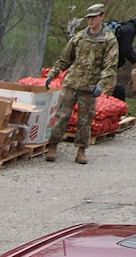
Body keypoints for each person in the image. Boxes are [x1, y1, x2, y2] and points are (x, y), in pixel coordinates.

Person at [43, 3, 118, 165]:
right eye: (89, 18)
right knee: (62, 116)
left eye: (94, 17)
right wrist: (52, 73)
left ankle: (81, 150)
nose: (90, 21)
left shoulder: (109, 40)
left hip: (90, 87)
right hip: (72, 83)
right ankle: (53, 146)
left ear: (102, 17)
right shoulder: (79, 37)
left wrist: (102, 83)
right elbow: (65, 58)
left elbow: (110, 65)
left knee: (85, 120)